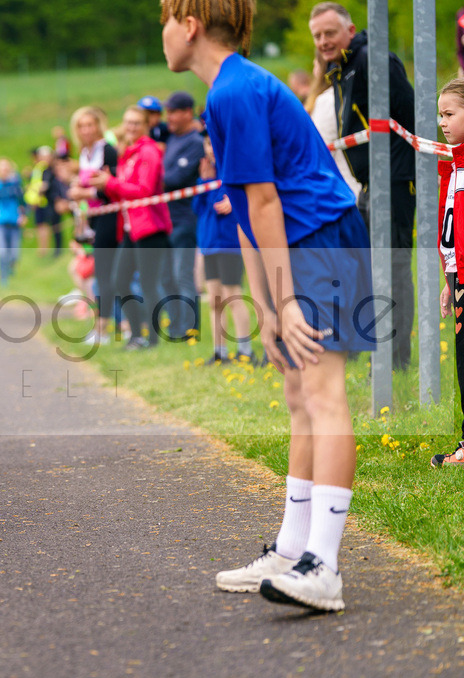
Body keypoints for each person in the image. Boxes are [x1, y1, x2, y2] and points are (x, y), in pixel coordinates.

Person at [161, 0, 375, 612]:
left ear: (191, 25)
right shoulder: (223, 92)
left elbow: (263, 205)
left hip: (321, 242)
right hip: (295, 245)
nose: (164, 35)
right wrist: (269, 307)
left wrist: (286, 299)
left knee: (324, 393)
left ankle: (324, 567)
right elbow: (250, 212)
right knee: (296, 393)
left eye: (165, 22)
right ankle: (290, 548)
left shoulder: (235, 92)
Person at [309, 1, 416, 370]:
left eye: (330, 33)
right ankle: (378, 351)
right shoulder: (342, 69)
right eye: (317, 36)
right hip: (370, 183)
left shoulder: (371, 59)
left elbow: (409, 115)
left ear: (350, 31)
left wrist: (399, 173)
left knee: (393, 267)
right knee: (370, 269)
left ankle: (396, 360)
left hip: (395, 180)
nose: (323, 41)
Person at [88, 105, 172, 350]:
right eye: (127, 122)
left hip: (151, 228)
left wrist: (110, 182)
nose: (131, 127)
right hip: (130, 228)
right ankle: (136, 334)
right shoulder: (129, 153)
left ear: (146, 125)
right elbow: (124, 193)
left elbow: (143, 191)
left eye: (136, 123)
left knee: (148, 283)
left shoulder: (149, 152)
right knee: (120, 281)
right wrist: (103, 186)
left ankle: (152, 339)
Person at [193, 135, 255, 364]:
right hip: (209, 244)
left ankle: (245, 350)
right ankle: (219, 351)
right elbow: (199, 208)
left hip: (229, 244)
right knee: (215, 299)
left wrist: (231, 199)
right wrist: (202, 182)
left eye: (213, 143)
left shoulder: (231, 172)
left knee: (233, 295)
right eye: (207, 144)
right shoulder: (206, 174)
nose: (211, 149)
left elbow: (225, 204)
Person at [68, 105, 119, 344]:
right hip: (94, 219)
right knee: (102, 273)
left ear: (98, 126)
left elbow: (110, 187)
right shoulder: (84, 153)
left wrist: (83, 193)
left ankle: (104, 328)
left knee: (105, 273)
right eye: (82, 126)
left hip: (111, 216)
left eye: (90, 124)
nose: (87, 130)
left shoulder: (107, 151)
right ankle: (105, 325)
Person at [434, 78, 464, 467]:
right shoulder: (453, 165)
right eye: (440, 114)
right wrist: (448, 279)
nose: (442, 122)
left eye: (450, 113)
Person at [161, 90, 205, 341]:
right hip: (167, 220)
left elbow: (174, 179)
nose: (170, 117)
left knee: (182, 275)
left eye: (174, 112)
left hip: (184, 220)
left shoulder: (195, 143)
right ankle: (175, 326)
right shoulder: (173, 140)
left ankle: (190, 328)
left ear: (187, 112)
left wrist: (152, 180)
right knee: (167, 277)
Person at [304, 51, 362, 198]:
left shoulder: (327, 100)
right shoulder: (347, 95)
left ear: (322, 68)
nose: (313, 70)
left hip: (341, 191)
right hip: (353, 187)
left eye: (315, 64)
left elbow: (321, 151)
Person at [0, 157, 27, 287]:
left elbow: (22, 202)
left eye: (6, 169)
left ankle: (10, 269)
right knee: (2, 252)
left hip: (14, 222)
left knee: (14, 254)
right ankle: (3, 278)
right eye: (1, 169)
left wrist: (24, 215)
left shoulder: (15, 185)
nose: (4, 171)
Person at [25, 146, 57, 257]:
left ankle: (46, 249)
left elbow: (44, 185)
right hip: (38, 201)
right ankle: (42, 249)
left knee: (45, 226)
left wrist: (35, 191)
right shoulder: (39, 168)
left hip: (44, 201)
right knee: (40, 226)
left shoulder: (46, 168)